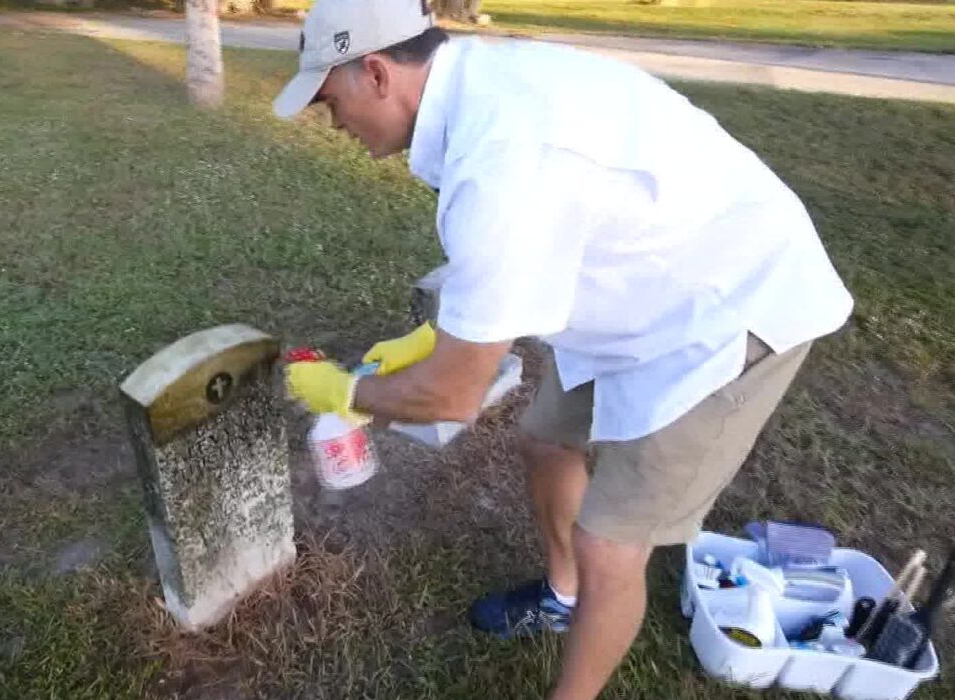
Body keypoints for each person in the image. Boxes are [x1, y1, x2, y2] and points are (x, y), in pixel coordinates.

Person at [273, 1, 853, 698]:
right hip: (641, 277)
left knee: (610, 544)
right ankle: (563, 596)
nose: (333, 123)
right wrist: (434, 336)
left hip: (729, 306)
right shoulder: (475, 89)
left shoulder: (500, 161)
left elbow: (452, 396)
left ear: (374, 73)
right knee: (548, 439)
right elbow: (519, 252)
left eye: (330, 102)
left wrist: (347, 393)